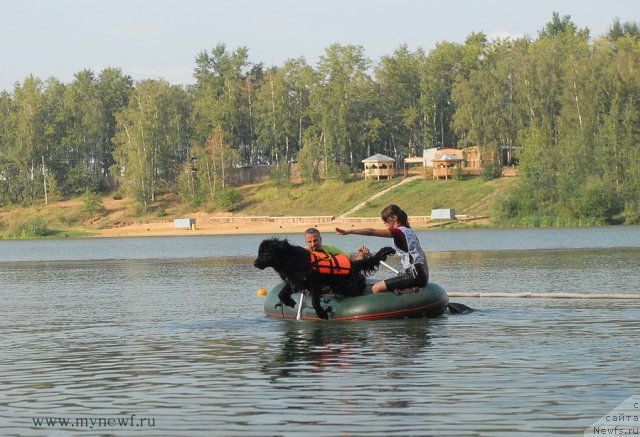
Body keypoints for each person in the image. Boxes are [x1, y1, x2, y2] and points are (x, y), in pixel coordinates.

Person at [335, 204, 428, 293]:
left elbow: (371, 231)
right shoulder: (410, 232)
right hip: (420, 274)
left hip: (413, 275)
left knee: (376, 288)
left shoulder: (398, 232)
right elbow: (422, 255)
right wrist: (425, 277)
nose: (385, 224)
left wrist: (350, 231)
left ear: (394, 218)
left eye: (386, 221)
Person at [303, 227, 369, 261]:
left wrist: (362, 255)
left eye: (315, 240)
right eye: (309, 242)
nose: (313, 244)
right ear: (305, 242)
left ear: (321, 239)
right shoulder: (302, 253)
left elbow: (352, 258)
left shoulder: (331, 249)